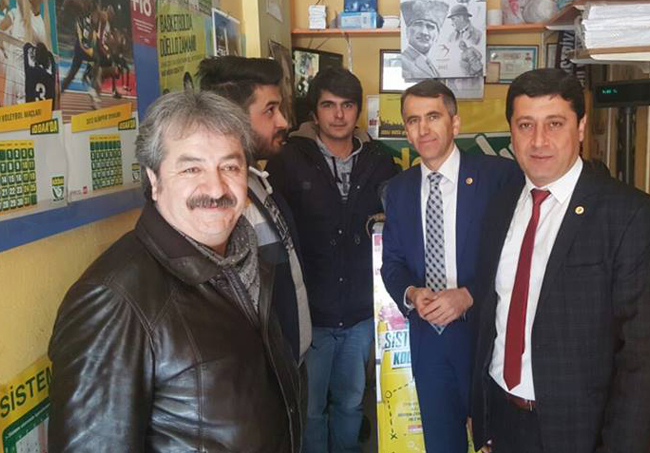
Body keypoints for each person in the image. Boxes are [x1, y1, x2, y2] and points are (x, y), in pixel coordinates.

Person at [48, 91, 303, 452]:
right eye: (191, 169)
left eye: (230, 167)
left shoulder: (242, 260)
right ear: (154, 180)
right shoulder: (115, 300)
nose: (216, 188)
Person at [470, 68, 650, 453]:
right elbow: (492, 316)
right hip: (503, 417)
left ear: (580, 127)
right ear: (511, 131)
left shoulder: (631, 215)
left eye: (555, 124)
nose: (539, 141)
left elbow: (642, 361)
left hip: (582, 431)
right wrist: (480, 411)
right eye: (526, 125)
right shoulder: (500, 204)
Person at [381, 80, 521, 453]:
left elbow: (517, 254)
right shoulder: (398, 190)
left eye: (433, 117)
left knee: (498, 442)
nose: (423, 129)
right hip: (429, 341)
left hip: (487, 335)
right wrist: (412, 294)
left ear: (455, 123)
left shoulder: (499, 177)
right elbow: (392, 263)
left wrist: (469, 295)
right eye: (413, 120)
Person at [266, 67, 398, 453]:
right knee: (310, 410)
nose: (338, 115)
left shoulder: (380, 161)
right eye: (328, 105)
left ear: (358, 111)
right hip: (310, 315)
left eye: (347, 105)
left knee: (351, 403)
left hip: (360, 313)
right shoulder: (288, 160)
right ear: (314, 111)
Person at [198, 55, 312, 365]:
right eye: (270, 110)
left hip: (287, 363)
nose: (284, 122)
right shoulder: (220, 199)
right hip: (263, 372)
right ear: (233, 118)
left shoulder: (256, 180)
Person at [0, 0, 53, 107]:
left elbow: (47, 49)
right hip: (10, 69)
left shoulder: (40, 25)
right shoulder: (22, 2)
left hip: (23, 77)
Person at [400, 0, 448, 79]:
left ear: (437, 35)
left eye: (430, 27)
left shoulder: (430, 65)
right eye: (418, 24)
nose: (424, 32)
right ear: (407, 31)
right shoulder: (402, 62)